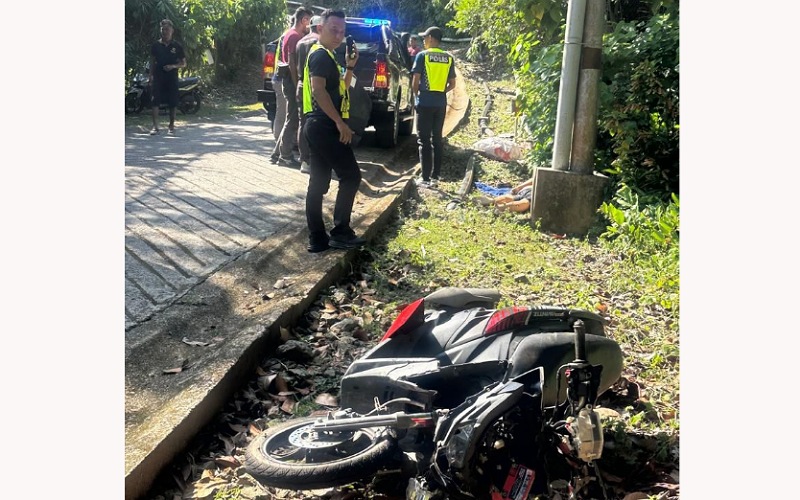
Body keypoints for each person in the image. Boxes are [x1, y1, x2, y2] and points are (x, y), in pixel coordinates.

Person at [302, 9, 366, 253]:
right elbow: (318, 91)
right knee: (351, 176)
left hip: (318, 125)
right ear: (320, 29)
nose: (339, 36)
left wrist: (350, 67)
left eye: (342, 31)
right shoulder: (320, 55)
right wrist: (339, 123)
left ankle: (317, 239)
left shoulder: (328, 56)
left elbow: (341, 88)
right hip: (325, 125)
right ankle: (340, 232)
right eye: (333, 30)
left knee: (318, 184)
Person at [411, 26, 456, 187]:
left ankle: (425, 179)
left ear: (431, 38)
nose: (423, 41)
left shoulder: (422, 56)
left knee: (423, 141)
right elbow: (453, 83)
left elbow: (415, 80)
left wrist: (416, 96)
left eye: (424, 38)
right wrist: (441, 90)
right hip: (440, 103)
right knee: (437, 139)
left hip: (425, 102)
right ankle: (436, 176)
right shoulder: (448, 58)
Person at [270, 6, 313, 167]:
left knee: (291, 118)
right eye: (310, 21)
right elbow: (292, 63)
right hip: (291, 81)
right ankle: (285, 156)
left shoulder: (290, 34)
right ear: (304, 20)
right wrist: (297, 86)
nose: (310, 26)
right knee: (293, 119)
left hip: (288, 80)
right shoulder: (295, 36)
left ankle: (277, 154)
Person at [149, 19, 186, 135]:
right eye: (163, 29)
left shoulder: (177, 46)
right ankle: (155, 127)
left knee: (173, 102)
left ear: (172, 31)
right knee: (155, 101)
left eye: (167, 29)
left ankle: (171, 126)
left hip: (171, 77)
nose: (165, 32)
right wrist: (150, 75)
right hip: (158, 76)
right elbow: (152, 62)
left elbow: (184, 63)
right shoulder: (155, 45)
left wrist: (173, 66)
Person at [295, 15, 322, 174]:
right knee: (318, 123)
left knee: (303, 123)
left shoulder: (300, 42)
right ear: (320, 27)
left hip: (301, 85)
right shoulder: (319, 43)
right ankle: (316, 159)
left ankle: (304, 160)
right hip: (315, 86)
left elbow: (294, 65)